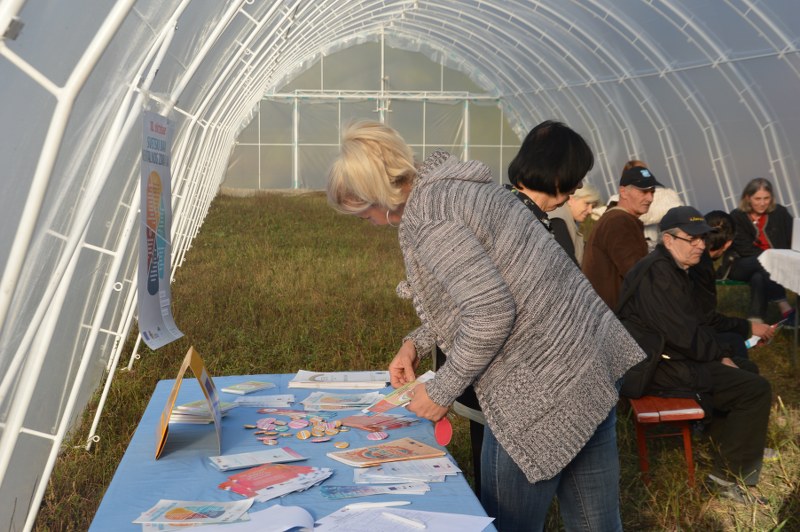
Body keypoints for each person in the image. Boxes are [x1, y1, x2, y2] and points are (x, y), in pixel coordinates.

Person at [327, 120, 645, 531]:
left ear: (378, 197)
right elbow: (497, 290)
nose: (367, 222)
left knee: (507, 524)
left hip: (537, 391)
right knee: (597, 524)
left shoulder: (431, 218)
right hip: (586, 365)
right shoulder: (461, 190)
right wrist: (415, 343)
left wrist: (441, 391)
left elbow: (491, 313)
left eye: (363, 213)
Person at [617, 206, 774, 503]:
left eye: (703, 238)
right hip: (653, 369)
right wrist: (719, 356)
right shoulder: (660, 275)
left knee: (745, 370)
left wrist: (722, 353)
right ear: (668, 239)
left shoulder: (669, 267)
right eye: (692, 239)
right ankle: (727, 478)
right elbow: (684, 335)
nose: (701, 245)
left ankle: (726, 446)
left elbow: (692, 326)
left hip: (666, 359)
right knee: (755, 389)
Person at [582, 164, 660, 309]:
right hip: (615, 314)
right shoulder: (618, 222)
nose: (650, 198)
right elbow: (637, 273)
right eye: (644, 191)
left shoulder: (617, 219)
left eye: (652, 192)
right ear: (623, 192)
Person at [728, 178, 796, 324]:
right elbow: (743, 248)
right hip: (742, 264)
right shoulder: (736, 216)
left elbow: (794, 236)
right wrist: (773, 258)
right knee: (765, 263)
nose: (763, 203)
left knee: (758, 277)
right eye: (757, 199)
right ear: (748, 198)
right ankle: (785, 307)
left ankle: (755, 321)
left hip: (773, 266)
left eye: (766, 198)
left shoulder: (780, 213)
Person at [548, 182, 601, 265]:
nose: (590, 211)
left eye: (593, 206)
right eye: (587, 204)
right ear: (571, 199)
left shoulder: (567, 219)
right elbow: (568, 263)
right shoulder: (559, 221)